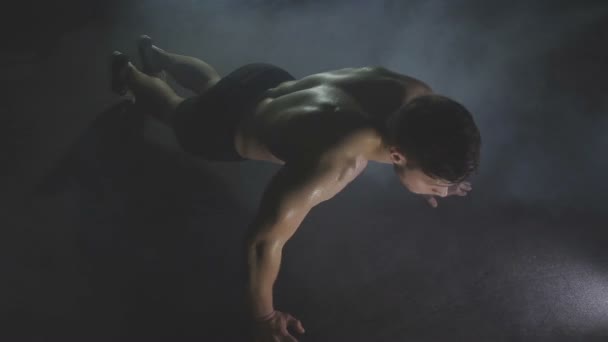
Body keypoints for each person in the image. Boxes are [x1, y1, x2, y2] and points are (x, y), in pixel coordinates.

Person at [110, 35, 481, 342]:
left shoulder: (417, 96)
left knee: (215, 85)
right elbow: (262, 242)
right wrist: (264, 317)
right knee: (178, 112)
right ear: (398, 154)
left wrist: (433, 176)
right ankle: (127, 71)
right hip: (227, 125)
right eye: (438, 183)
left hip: (263, 81)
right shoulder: (337, 162)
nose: (444, 190)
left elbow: (429, 140)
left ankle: (157, 54)